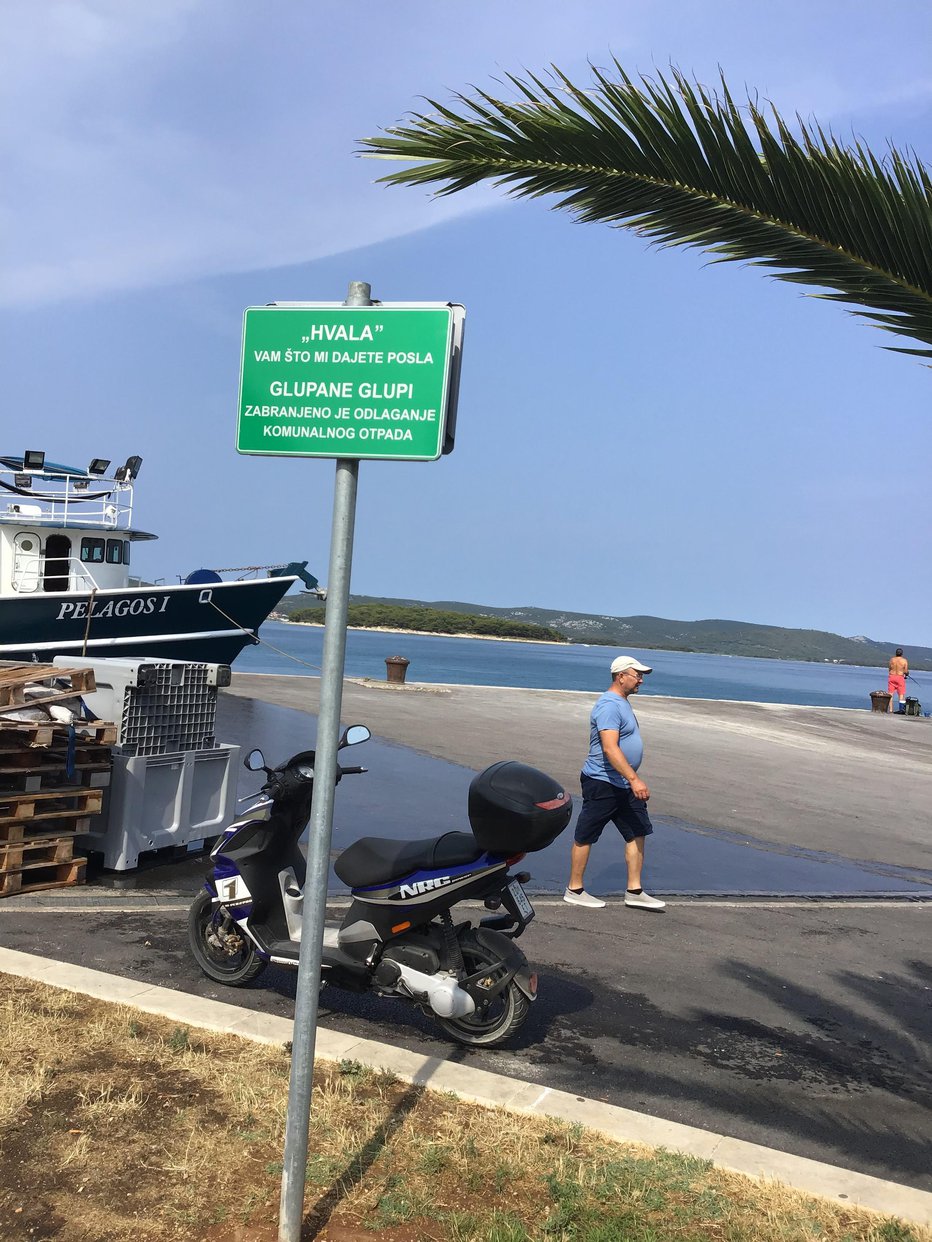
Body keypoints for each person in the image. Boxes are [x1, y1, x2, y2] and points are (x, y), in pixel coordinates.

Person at [564, 654, 665, 912]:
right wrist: (634, 779)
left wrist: (630, 779)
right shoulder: (609, 705)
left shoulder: (622, 702)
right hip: (603, 781)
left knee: (637, 831)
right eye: (637, 675)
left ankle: (634, 891)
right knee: (586, 834)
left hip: (623, 782)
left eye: (641, 676)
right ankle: (574, 889)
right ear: (621, 677)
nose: (641, 680)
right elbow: (610, 748)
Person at [888, 648, 909, 713]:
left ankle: (891, 710)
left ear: (896, 653)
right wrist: (907, 674)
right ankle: (901, 710)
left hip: (892, 676)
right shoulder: (904, 660)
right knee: (901, 694)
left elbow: (889, 668)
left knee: (890, 694)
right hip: (900, 677)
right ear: (902, 654)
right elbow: (905, 671)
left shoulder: (892, 660)